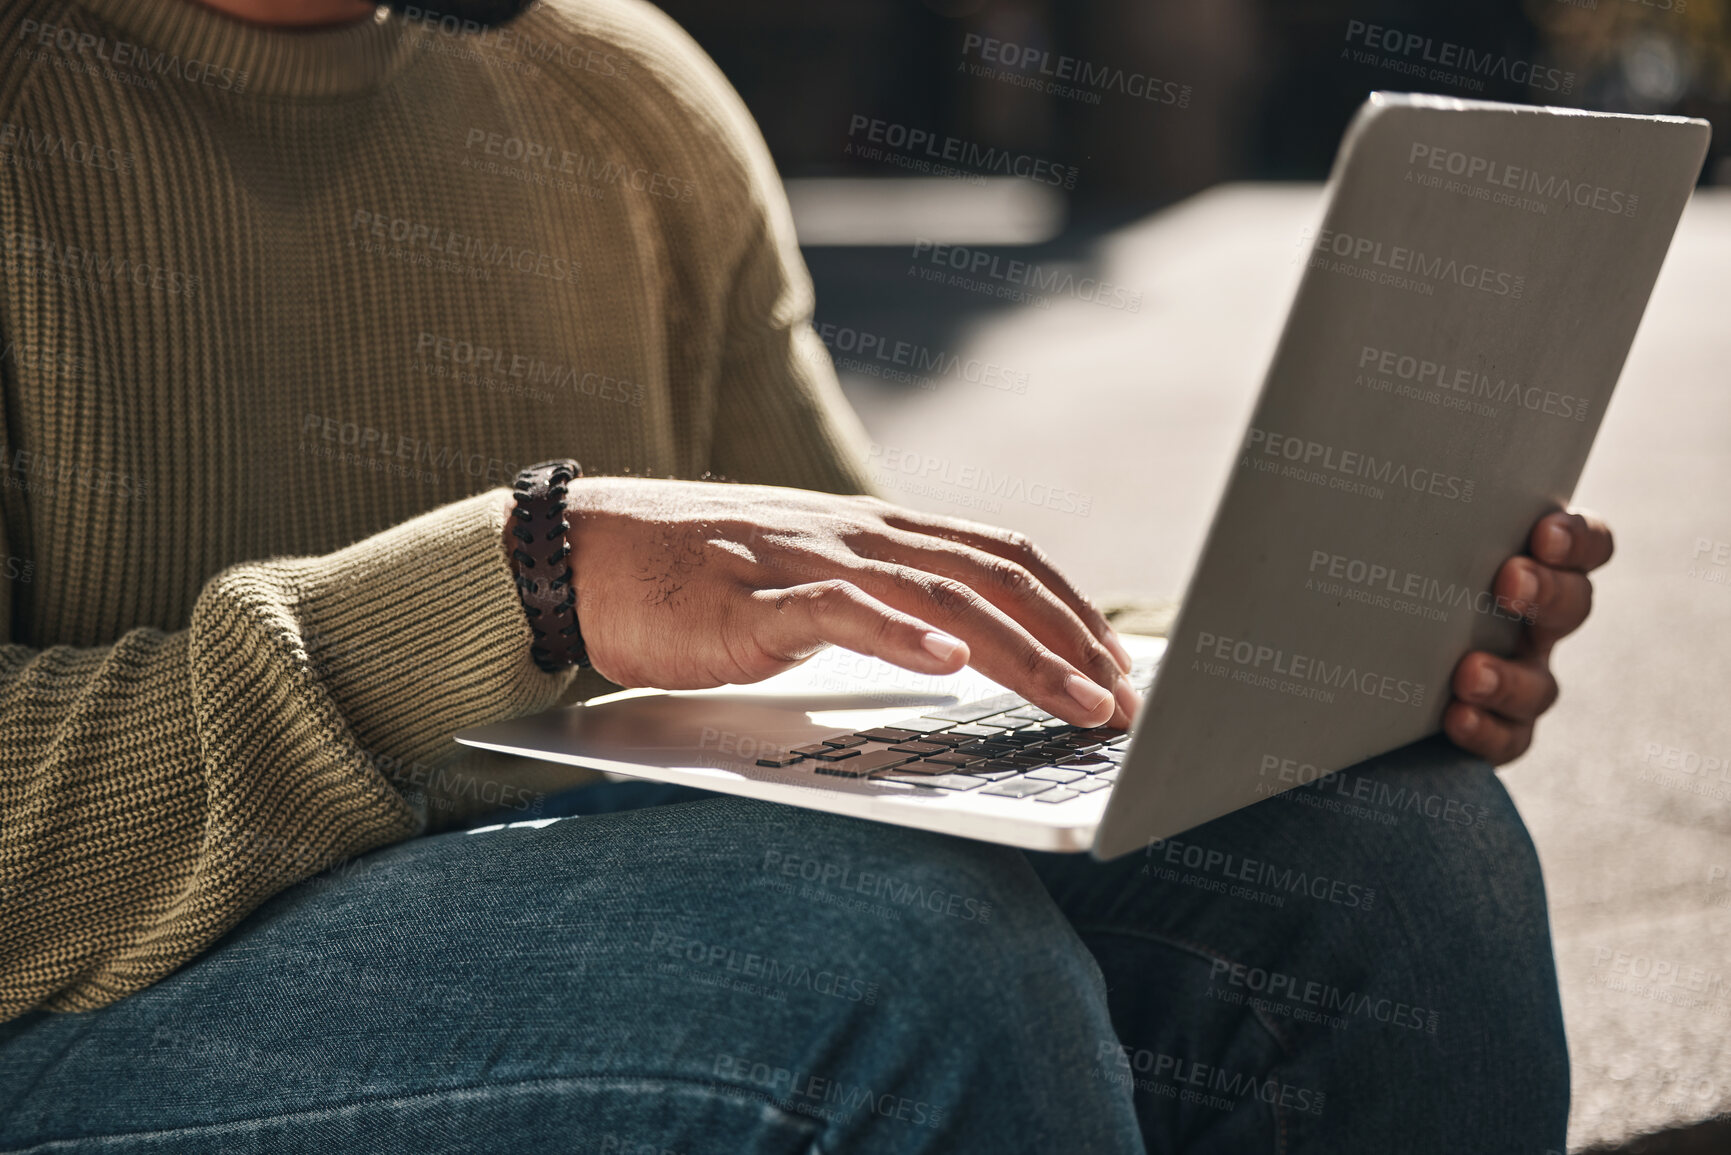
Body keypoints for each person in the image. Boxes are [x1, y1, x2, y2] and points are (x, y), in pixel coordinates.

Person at [0, 0, 1609, 1149]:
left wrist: (1293, 668)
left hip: (580, 883)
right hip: (82, 1015)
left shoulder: (617, 88)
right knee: (896, 966)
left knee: (1390, 852)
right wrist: (526, 588)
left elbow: (866, 626)